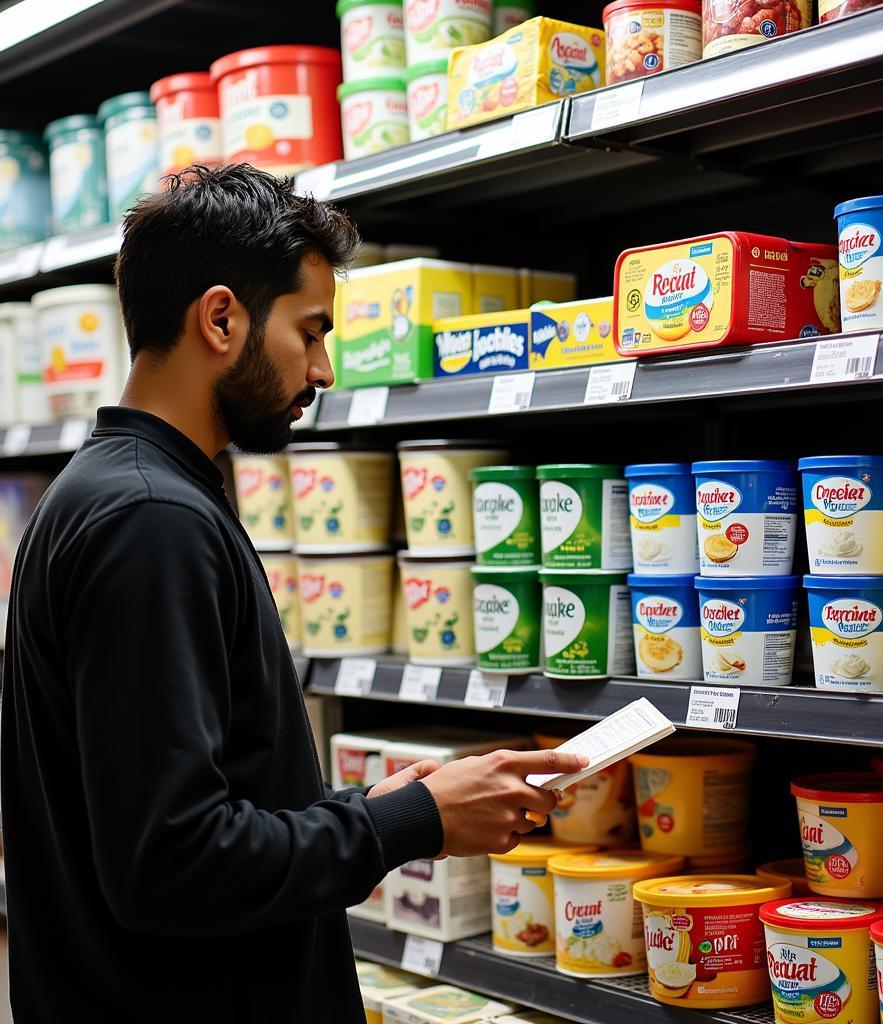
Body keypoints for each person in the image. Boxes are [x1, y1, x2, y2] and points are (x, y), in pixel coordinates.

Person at [0, 164, 586, 1022]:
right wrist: (412, 823)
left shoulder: (115, 493)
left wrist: (367, 808)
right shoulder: (150, 520)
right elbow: (170, 864)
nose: (323, 369)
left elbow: (177, 807)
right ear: (222, 317)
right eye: (309, 332)